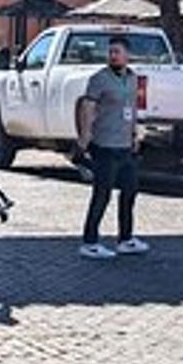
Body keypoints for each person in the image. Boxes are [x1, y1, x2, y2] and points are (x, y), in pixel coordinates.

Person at [75, 35, 148, 260]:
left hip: (125, 145)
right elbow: (87, 107)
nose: (113, 56)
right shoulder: (99, 79)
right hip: (104, 145)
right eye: (111, 52)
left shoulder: (133, 78)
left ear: (127, 55)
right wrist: (84, 137)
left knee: (129, 192)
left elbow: (133, 108)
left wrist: (136, 133)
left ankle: (125, 238)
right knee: (102, 194)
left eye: (117, 52)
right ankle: (90, 241)